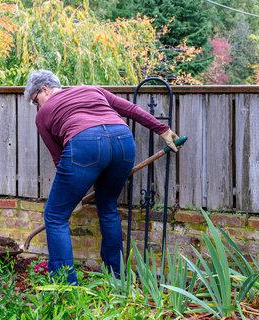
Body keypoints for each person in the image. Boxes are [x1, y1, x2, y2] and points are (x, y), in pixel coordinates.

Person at [24, 70, 179, 284]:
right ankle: (115, 278)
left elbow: (59, 158)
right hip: (123, 142)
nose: (38, 106)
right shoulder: (92, 89)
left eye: (35, 101)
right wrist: (163, 130)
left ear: (44, 89)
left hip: (85, 143)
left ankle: (64, 288)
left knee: (55, 216)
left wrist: (72, 193)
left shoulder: (43, 114)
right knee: (107, 208)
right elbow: (131, 110)